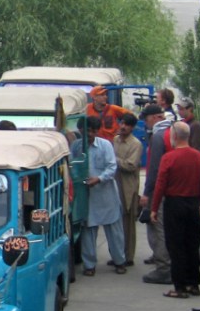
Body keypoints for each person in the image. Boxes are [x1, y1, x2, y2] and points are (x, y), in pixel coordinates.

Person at [151, 122, 200, 298]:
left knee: (175, 245)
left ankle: (180, 286)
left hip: (174, 204)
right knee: (191, 244)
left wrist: (154, 207)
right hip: (192, 203)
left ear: (174, 136)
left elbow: (160, 184)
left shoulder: (169, 158)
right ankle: (193, 283)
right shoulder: (198, 157)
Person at [70, 115, 126, 276]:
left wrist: (99, 179)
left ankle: (119, 261)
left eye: (92, 131)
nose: (89, 134)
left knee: (114, 231)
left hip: (106, 194)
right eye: (86, 131)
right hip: (85, 195)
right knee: (88, 229)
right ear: (80, 130)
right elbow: (72, 165)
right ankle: (89, 265)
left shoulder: (105, 145)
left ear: (96, 131)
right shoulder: (76, 146)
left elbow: (111, 167)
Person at [139, 104, 174, 285]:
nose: (145, 123)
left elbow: (154, 169)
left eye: (146, 119)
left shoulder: (158, 137)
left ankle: (163, 269)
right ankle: (170, 266)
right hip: (174, 191)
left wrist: (147, 193)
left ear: (154, 118)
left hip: (159, 191)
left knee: (157, 228)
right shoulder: (173, 133)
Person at [113, 112, 142, 267]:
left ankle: (128, 256)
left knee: (128, 224)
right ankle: (118, 254)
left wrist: (113, 159)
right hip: (114, 185)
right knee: (115, 222)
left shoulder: (135, 144)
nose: (123, 127)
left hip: (128, 188)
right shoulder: (115, 140)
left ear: (132, 128)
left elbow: (131, 165)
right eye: (122, 123)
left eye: (127, 125)